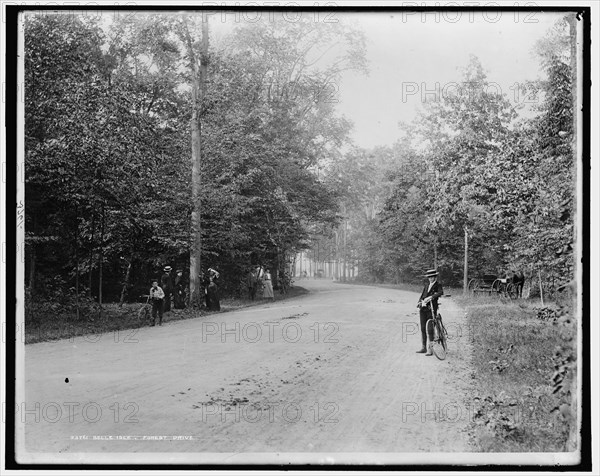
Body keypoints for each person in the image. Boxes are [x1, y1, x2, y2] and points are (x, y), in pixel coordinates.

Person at [416, 269, 444, 356]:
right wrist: (419, 302)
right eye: (429, 277)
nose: (431, 279)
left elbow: (440, 292)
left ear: (435, 277)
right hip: (423, 309)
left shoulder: (438, 285)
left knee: (430, 329)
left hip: (431, 309)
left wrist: (431, 297)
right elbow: (422, 295)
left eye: (432, 277)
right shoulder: (427, 285)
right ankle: (423, 347)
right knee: (423, 328)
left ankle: (430, 348)